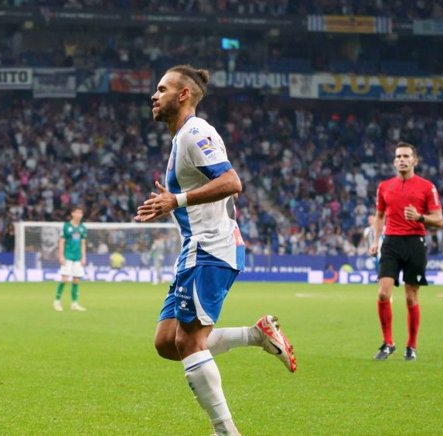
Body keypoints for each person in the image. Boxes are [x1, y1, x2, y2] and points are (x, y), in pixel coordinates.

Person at [134, 64, 296, 436]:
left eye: (162, 89)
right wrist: (174, 201)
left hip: (211, 248)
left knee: (189, 341)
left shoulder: (195, 132)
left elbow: (231, 181)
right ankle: (257, 334)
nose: (154, 96)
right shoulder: (180, 139)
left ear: (183, 94)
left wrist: (177, 199)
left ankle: (226, 432)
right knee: (166, 343)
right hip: (195, 248)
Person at [369, 143, 443, 362]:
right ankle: (388, 343)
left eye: (406, 156)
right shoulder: (384, 186)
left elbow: (439, 220)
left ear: (414, 161)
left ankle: (411, 346)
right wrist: (375, 241)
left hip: (414, 243)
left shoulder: (427, 187)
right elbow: (380, 215)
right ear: (394, 161)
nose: (402, 159)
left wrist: (420, 217)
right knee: (383, 293)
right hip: (391, 242)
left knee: (411, 297)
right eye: (398, 156)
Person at [53, 206, 87, 312]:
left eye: (81, 213)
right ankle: (57, 301)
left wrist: (83, 257)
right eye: (77, 213)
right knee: (65, 279)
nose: (79, 215)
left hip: (78, 257)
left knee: (76, 280)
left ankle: (74, 303)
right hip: (67, 256)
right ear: (72, 213)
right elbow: (61, 242)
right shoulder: (66, 226)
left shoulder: (83, 228)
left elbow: (83, 243)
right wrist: (61, 255)